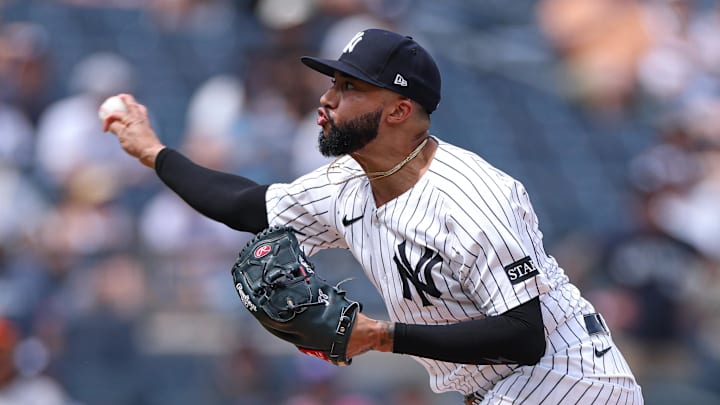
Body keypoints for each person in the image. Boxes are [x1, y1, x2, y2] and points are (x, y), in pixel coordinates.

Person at [102, 28, 643, 404]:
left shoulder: (475, 195)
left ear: (399, 110)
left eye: (348, 87)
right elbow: (246, 206)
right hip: (508, 389)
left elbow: (524, 336)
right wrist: (153, 151)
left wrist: (378, 336)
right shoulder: (347, 184)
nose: (326, 99)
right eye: (333, 83)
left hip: (571, 383)